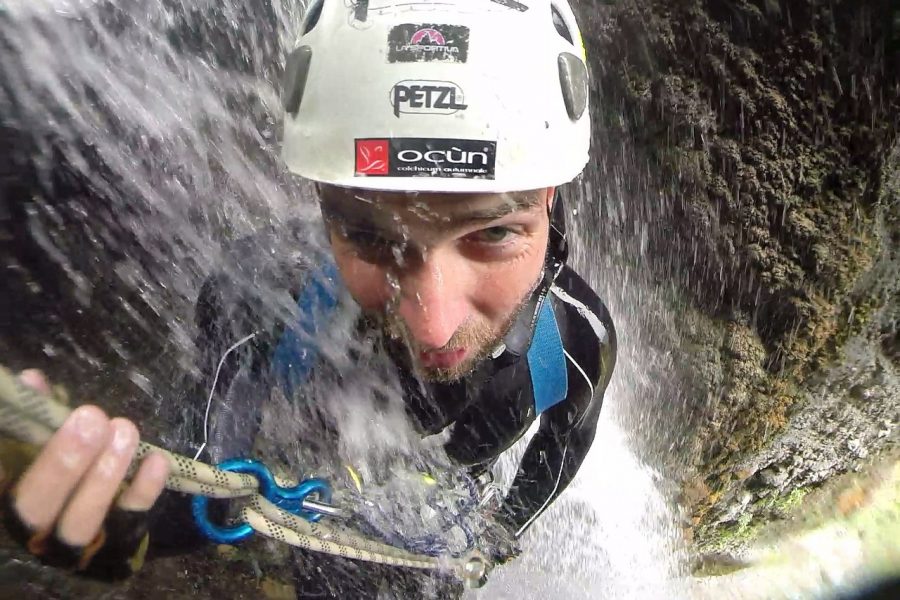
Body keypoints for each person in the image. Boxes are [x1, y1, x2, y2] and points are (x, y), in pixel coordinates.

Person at [1, 0, 616, 597]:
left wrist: (503, 528)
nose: (432, 327)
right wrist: (119, 521)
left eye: (492, 233)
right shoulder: (262, 298)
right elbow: (203, 466)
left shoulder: (579, 340)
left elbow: (564, 443)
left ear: (550, 199)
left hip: (442, 512)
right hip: (331, 511)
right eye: (371, 238)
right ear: (323, 210)